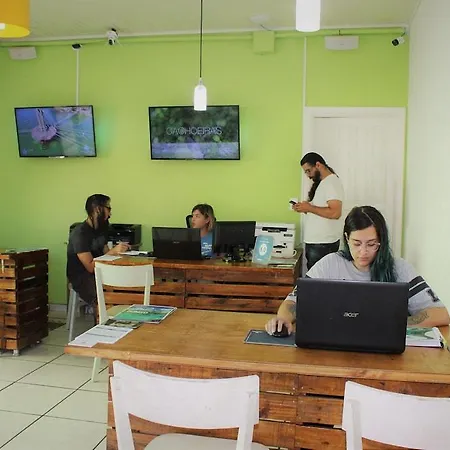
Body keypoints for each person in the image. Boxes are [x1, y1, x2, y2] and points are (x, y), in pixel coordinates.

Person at [266, 206, 449, 335]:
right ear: (347, 238)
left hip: (384, 351)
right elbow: (293, 302)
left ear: (381, 241)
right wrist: (283, 320)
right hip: (334, 346)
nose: (363, 252)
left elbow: (440, 314)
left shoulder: (399, 268)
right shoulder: (329, 264)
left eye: (371, 244)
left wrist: (396, 325)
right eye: (356, 243)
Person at [67, 194, 129, 320]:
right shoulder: (80, 233)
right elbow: (90, 267)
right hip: (82, 276)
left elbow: (105, 253)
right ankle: (103, 323)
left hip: (100, 272)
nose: (110, 213)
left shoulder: (102, 228)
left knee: (126, 285)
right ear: (97, 209)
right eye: (108, 208)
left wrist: (119, 252)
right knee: (106, 293)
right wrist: (112, 252)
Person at [292, 152, 344, 270]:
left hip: (323, 244)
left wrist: (310, 208)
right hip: (318, 243)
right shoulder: (324, 183)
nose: (308, 175)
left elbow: (335, 213)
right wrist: (305, 208)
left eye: (308, 171)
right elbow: (321, 210)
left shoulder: (331, 183)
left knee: (318, 277)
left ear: (318, 165)